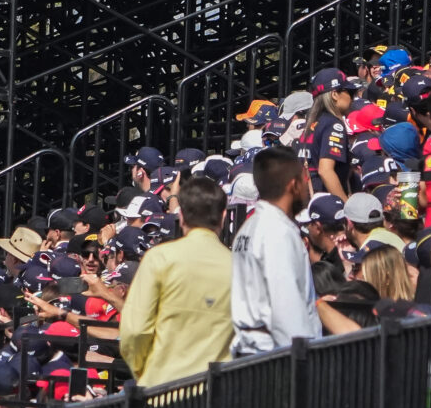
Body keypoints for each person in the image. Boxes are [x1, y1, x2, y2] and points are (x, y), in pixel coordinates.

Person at [117, 174, 233, 385]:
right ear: (223, 216)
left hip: (162, 391)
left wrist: (145, 373)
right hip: (217, 395)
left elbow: (135, 331)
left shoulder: (159, 258)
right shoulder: (239, 266)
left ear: (181, 217)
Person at [228, 148, 315, 356]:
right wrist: (305, 365)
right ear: (294, 185)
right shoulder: (277, 233)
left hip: (255, 354)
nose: (306, 188)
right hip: (277, 358)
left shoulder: (249, 228)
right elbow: (286, 310)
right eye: (304, 181)